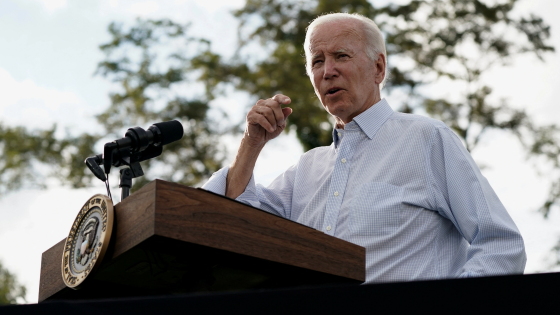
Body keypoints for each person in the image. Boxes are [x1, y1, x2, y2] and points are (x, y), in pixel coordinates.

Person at [202, 12, 526, 283]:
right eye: (317, 61)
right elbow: (229, 225)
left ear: (378, 69)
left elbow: (501, 246)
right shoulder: (305, 170)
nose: (328, 71)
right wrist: (251, 144)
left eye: (341, 56)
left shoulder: (426, 139)